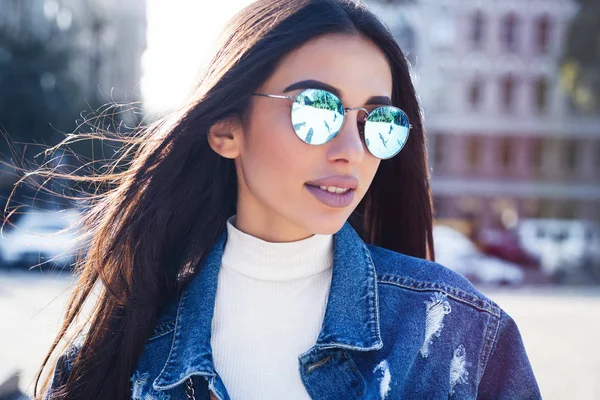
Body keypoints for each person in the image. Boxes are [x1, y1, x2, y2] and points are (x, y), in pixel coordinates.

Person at [37, 0, 541, 399]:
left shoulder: (459, 334)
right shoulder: (118, 356)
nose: (350, 151)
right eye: (316, 110)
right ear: (225, 128)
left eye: (376, 123)